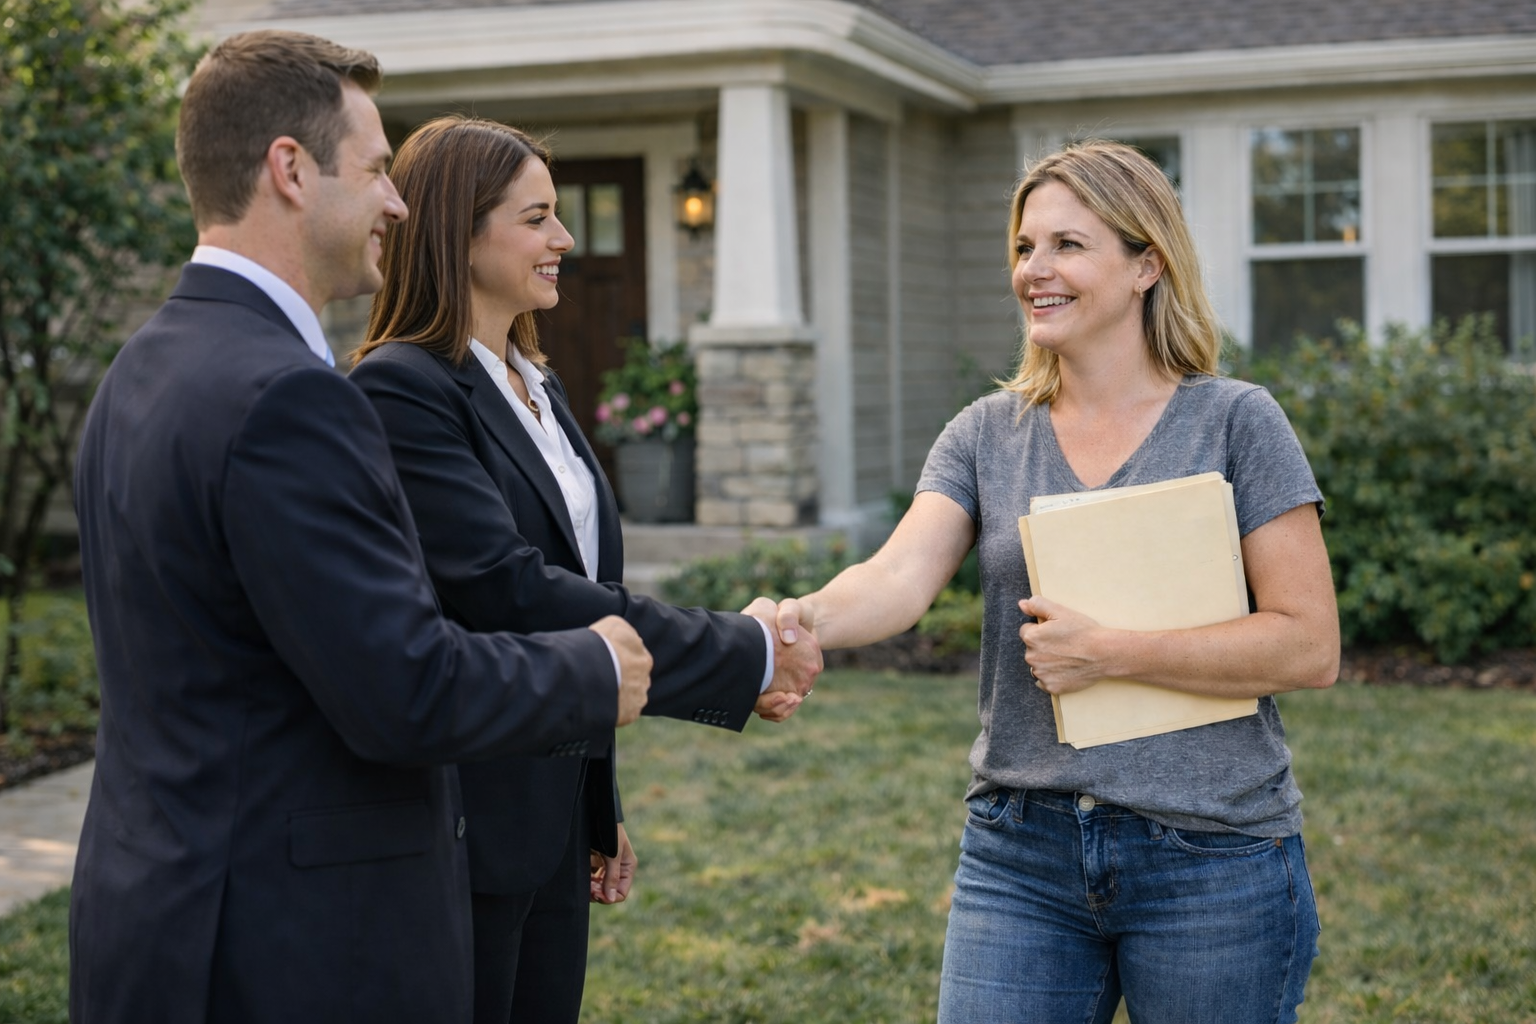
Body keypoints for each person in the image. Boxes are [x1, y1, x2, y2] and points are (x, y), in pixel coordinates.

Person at [69, 32, 654, 1024]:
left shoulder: (140, 371)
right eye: (380, 169)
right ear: (290, 171)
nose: (396, 201)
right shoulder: (290, 398)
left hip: (153, 917)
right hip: (281, 945)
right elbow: (405, 688)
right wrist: (594, 668)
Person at [772, 141, 1339, 1023]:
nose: (1035, 270)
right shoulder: (987, 433)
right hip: (1020, 850)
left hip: (1212, 854)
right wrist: (794, 620)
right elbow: (897, 576)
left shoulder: (1236, 422)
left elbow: (1308, 645)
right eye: (1024, 248)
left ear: (1146, 263)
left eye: (1068, 246)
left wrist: (1108, 653)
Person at [347, 115, 822, 1024]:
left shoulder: (537, 380)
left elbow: (584, 598)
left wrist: (592, 805)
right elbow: (510, 589)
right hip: (459, 830)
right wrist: (744, 648)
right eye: (536, 218)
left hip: (551, 824)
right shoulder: (402, 390)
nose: (563, 238)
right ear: (459, 231)